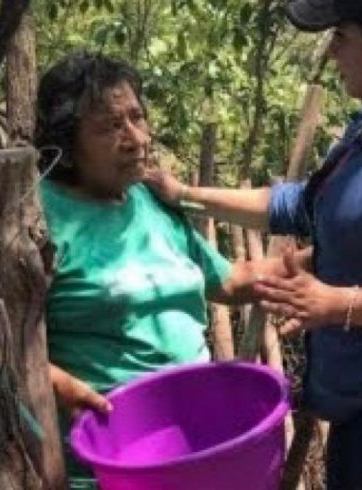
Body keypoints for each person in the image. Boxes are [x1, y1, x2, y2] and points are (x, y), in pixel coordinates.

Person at [142, 0, 362, 488]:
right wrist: (186, 195)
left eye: (341, 37)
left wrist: (336, 302)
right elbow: (306, 204)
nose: (331, 52)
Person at [35, 52, 298, 489]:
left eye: (137, 118)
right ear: (65, 143)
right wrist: (58, 384)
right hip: (108, 463)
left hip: (194, 445)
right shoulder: (35, 217)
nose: (136, 138)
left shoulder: (151, 202)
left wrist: (330, 257)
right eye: (109, 127)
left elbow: (228, 280)